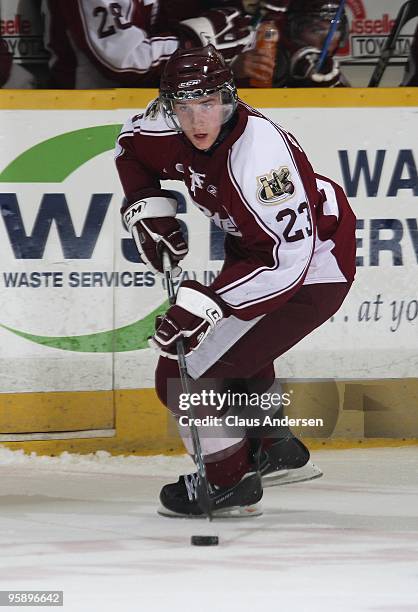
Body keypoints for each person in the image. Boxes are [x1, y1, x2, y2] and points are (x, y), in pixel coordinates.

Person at [115, 44, 356, 518]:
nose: (197, 120)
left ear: (229, 99)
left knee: (185, 375)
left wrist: (208, 304)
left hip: (312, 269)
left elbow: (287, 261)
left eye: (208, 104)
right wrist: (148, 209)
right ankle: (274, 449)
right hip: (255, 252)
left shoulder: (261, 160)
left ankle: (229, 481)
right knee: (238, 354)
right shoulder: (166, 124)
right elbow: (129, 148)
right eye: (183, 108)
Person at [40, 0, 253, 88]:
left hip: (158, 111)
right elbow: (125, 60)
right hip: (82, 112)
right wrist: (193, 44)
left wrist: (232, 64)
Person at [234, 0, 349, 87]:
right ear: (291, 30)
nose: (327, 40)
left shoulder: (331, 72)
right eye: (316, 30)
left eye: (335, 29)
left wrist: (331, 84)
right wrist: (235, 74)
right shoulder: (260, 60)